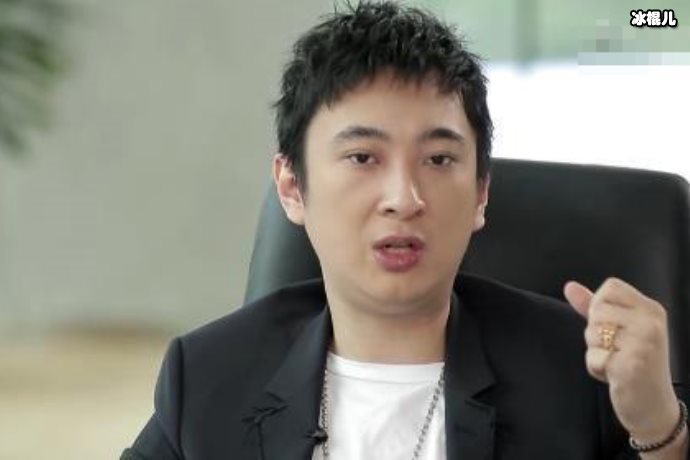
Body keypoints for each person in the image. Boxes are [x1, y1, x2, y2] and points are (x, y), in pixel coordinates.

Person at [121, 2, 688, 459]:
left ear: (481, 193)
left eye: (439, 160)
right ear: (292, 186)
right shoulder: (210, 377)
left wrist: (660, 429)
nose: (404, 199)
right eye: (363, 157)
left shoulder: (577, 373)